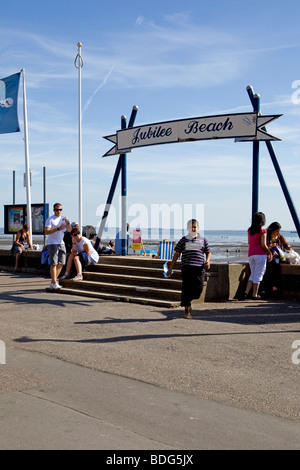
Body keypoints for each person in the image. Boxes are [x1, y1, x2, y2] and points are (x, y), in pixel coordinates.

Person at [167, 219, 211, 319]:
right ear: (187, 228)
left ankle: (188, 302)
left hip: (199, 268)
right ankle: (186, 311)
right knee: (186, 289)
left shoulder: (203, 239)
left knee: (199, 289)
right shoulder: (183, 240)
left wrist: (207, 261)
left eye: (195, 227)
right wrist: (170, 269)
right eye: (191, 227)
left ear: (198, 228)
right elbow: (176, 255)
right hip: (187, 267)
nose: (193, 229)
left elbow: (208, 252)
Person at [243, 212, 272, 300]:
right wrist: (269, 252)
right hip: (260, 254)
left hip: (251, 254)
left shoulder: (249, 230)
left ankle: (246, 292)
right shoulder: (262, 231)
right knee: (259, 274)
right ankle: (254, 295)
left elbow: (249, 242)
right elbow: (263, 245)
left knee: (253, 274)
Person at [260, 222, 291, 297]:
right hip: (268, 255)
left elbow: (286, 245)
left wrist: (289, 248)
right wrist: (270, 247)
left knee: (275, 264)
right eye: (277, 231)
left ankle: (274, 286)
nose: (278, 233)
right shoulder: (267, 236)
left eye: (279, 231)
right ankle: (264, 288)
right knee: (266, 267)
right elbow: (264, 246)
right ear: (272, 230)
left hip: (278, 256)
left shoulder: (280, 237)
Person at [45, 203, 71, 289]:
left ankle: (53, 281)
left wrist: (68, 223)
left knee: (62, 262)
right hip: (52, 242)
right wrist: (58, 228)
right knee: (53, 263)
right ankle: (54, 282)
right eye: (57, 210)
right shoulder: (50, 219)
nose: (59, 211)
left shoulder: (63, 219)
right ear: (54, 210)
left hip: (61, 242)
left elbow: (70, 230)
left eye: (60, 210)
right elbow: (47, 231)